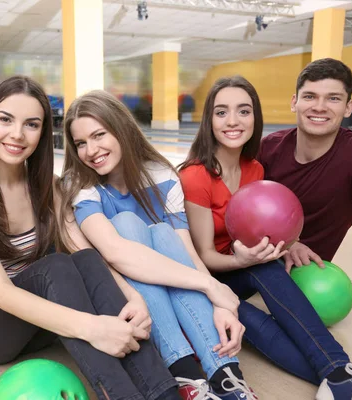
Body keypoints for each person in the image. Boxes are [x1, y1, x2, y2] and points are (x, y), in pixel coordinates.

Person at [0, 75, 184, 400]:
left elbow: (86, 254)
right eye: (5, 119)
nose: (17, 134)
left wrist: (132, 298)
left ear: (42, 132)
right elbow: (2, 294)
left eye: (31, 124)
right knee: (54, 267)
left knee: (78, 258)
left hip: (39, 322)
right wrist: (94, 328)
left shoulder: (48, 186)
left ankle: (163, 392)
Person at [179, 75, 352, 399]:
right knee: (247, 312)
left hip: (238, 269)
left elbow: (264, 225)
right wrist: (241, 259)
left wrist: (289, 243)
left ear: (255, 118)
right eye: (221, 112)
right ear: (209, 120)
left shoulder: (255, 170)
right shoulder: (196, 175)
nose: (233, 121)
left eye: (243, 111)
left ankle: (340, 375)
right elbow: (204, 255)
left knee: (268, 268)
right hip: (200, 279)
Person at [59, 89, 258, 400]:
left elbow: (184, 250)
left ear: (121, 130)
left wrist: (219, 300)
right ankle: (186, 375)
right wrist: (209, 286)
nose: (91, 150)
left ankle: (227, 375)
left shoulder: (161, 175)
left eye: (99, 135)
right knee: (126, 223)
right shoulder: (79, 184)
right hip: (119, 295)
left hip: (163, 289)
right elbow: (114, 253)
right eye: (81, 143)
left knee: (165, 233)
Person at [257, 58, 352, 348]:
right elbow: (241, 216)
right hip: (254, 258)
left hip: (308, 273)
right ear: (295, 102)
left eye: (333, 98)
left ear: (348, 107)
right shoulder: (266, 149)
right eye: (310, 96)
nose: (319, 107)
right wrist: (290, 242)